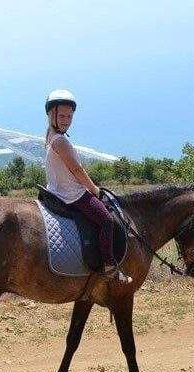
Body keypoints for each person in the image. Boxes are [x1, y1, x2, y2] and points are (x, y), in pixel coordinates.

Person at [44, 89, 131, 283]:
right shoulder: (61, 142)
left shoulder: (50, 135)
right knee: (107, 221)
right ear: (52, 116)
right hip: (71, 194)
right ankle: (109, 266)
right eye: (62, 115)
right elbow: (77, 171)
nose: (66, 119)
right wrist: (94, 189)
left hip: (57, 189)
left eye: (69, 116)